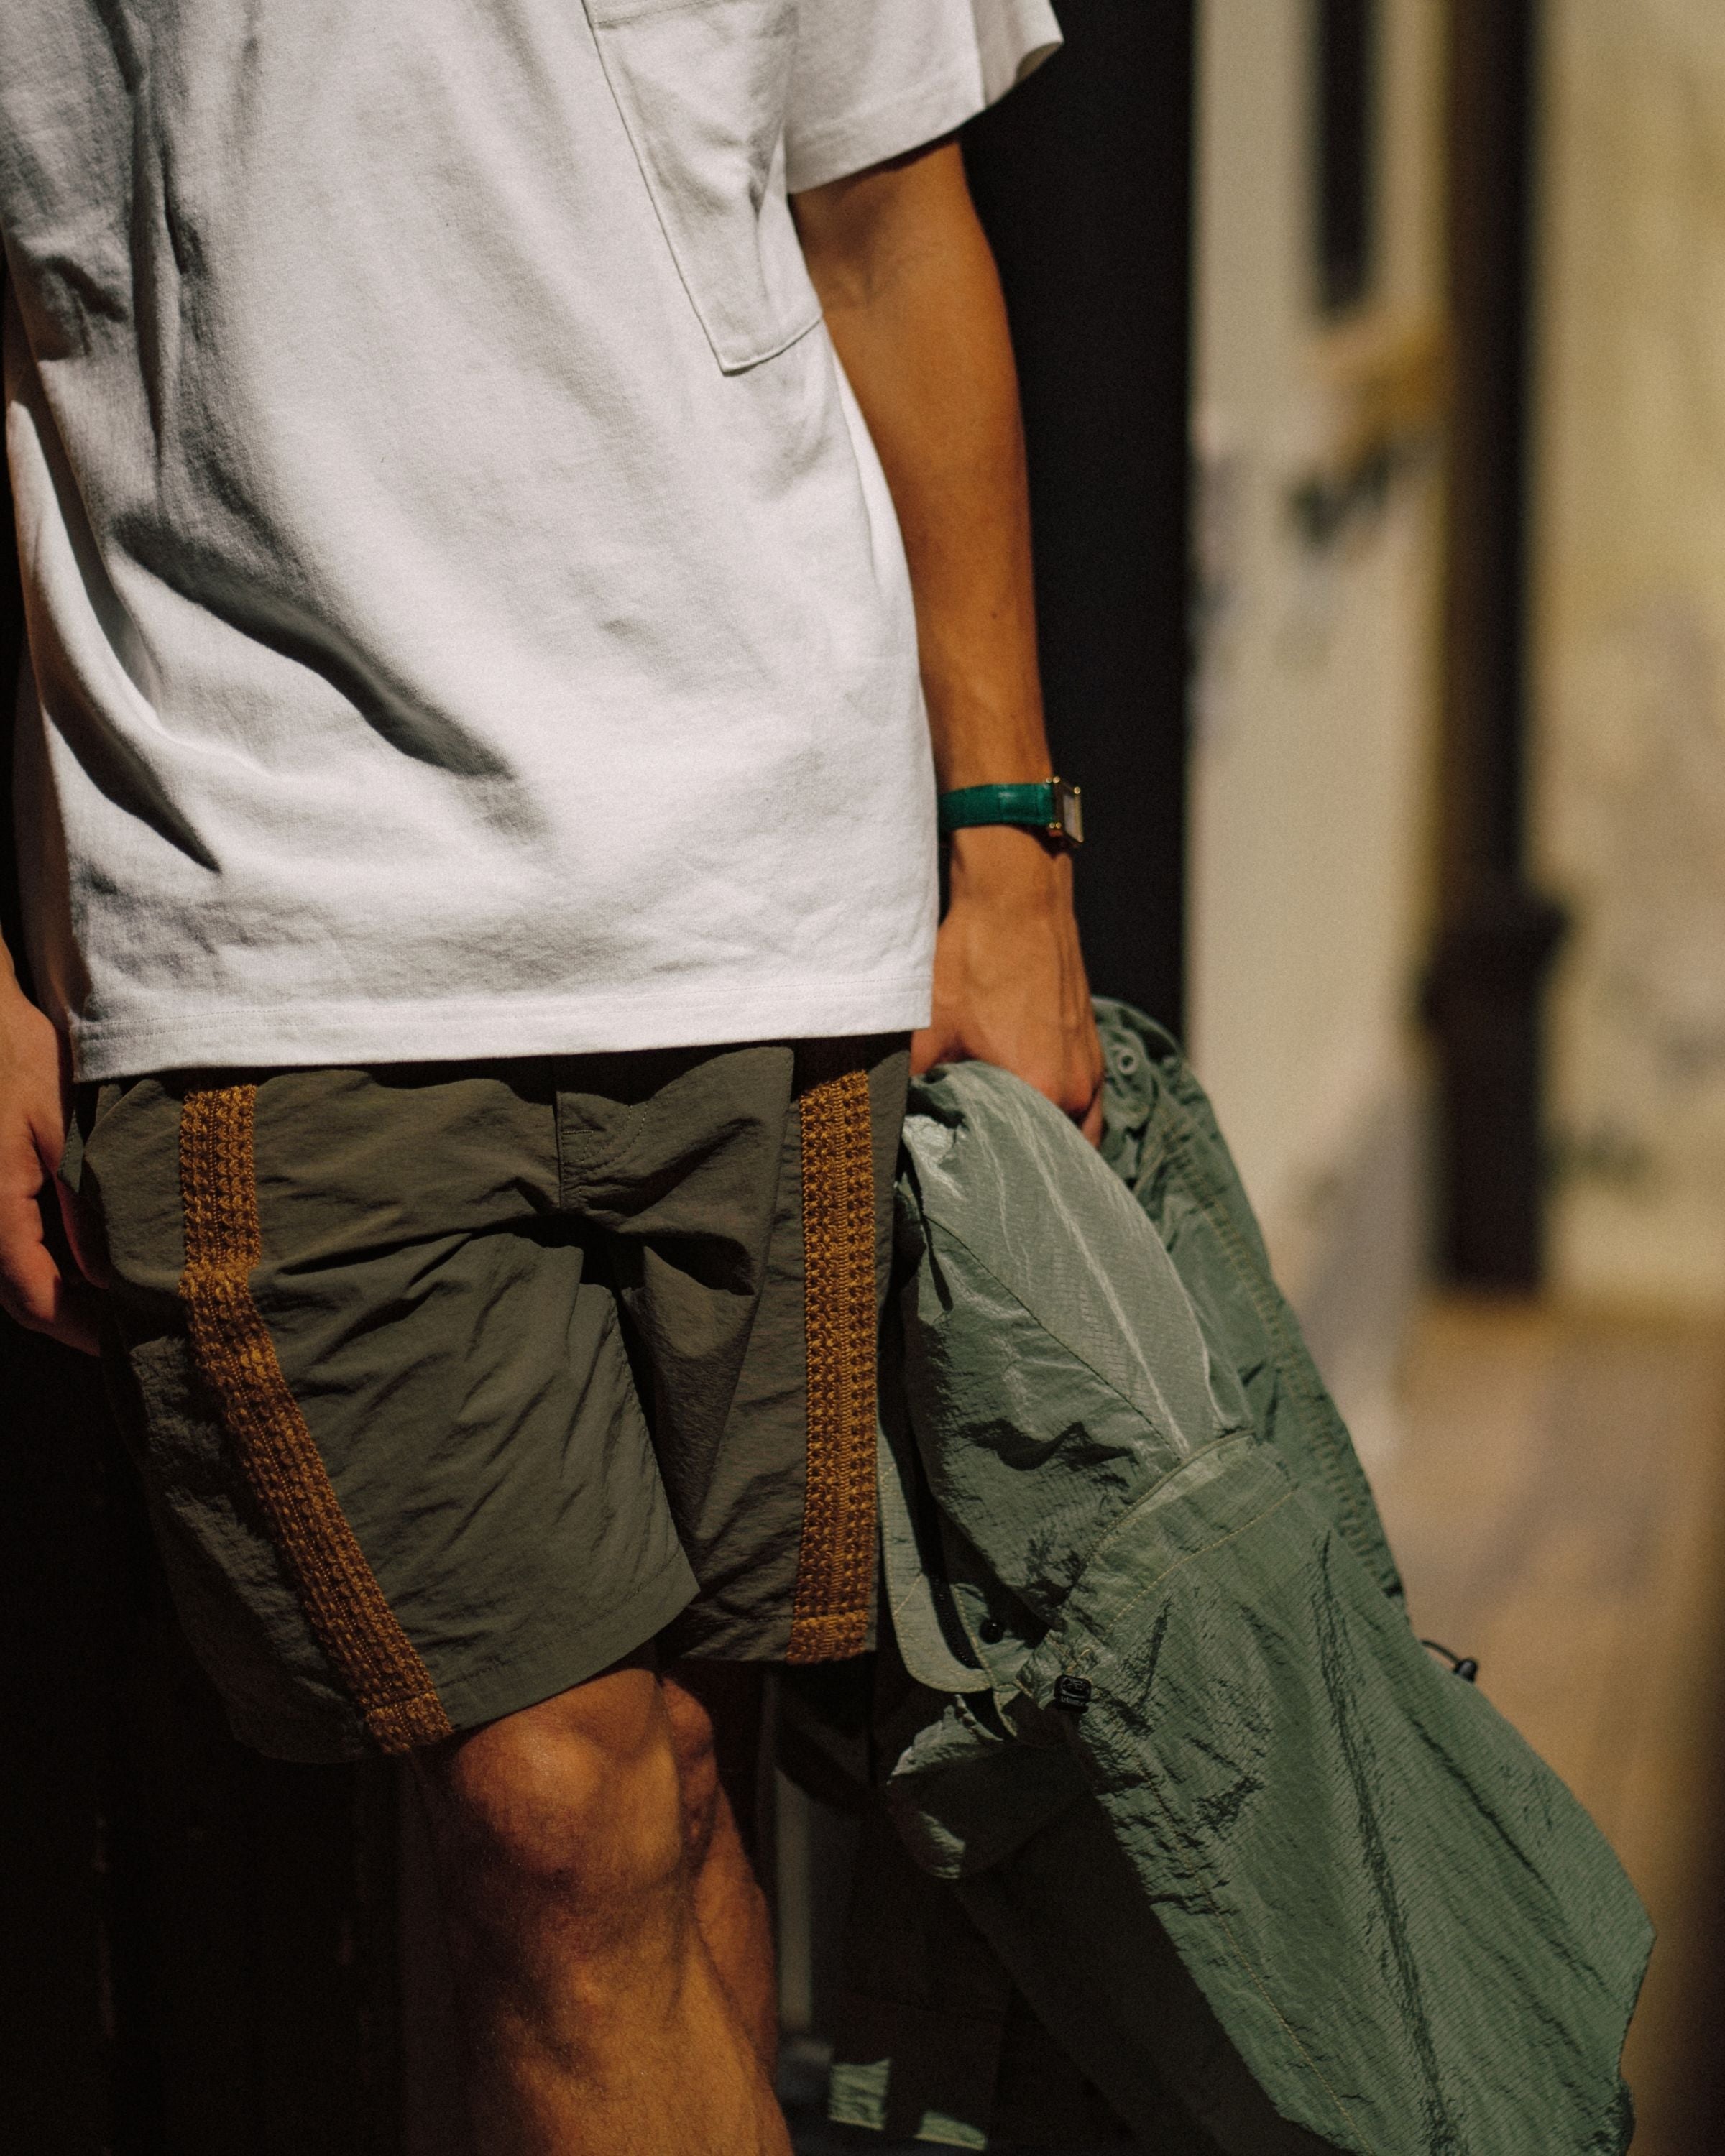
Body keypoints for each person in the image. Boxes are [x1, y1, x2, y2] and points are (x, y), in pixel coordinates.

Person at [0, 5, 1102, 2150]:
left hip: (771, 899)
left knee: (676, 1788)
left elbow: (885, 224)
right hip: (272, 913)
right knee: (554, 1821)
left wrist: (1008, 841)